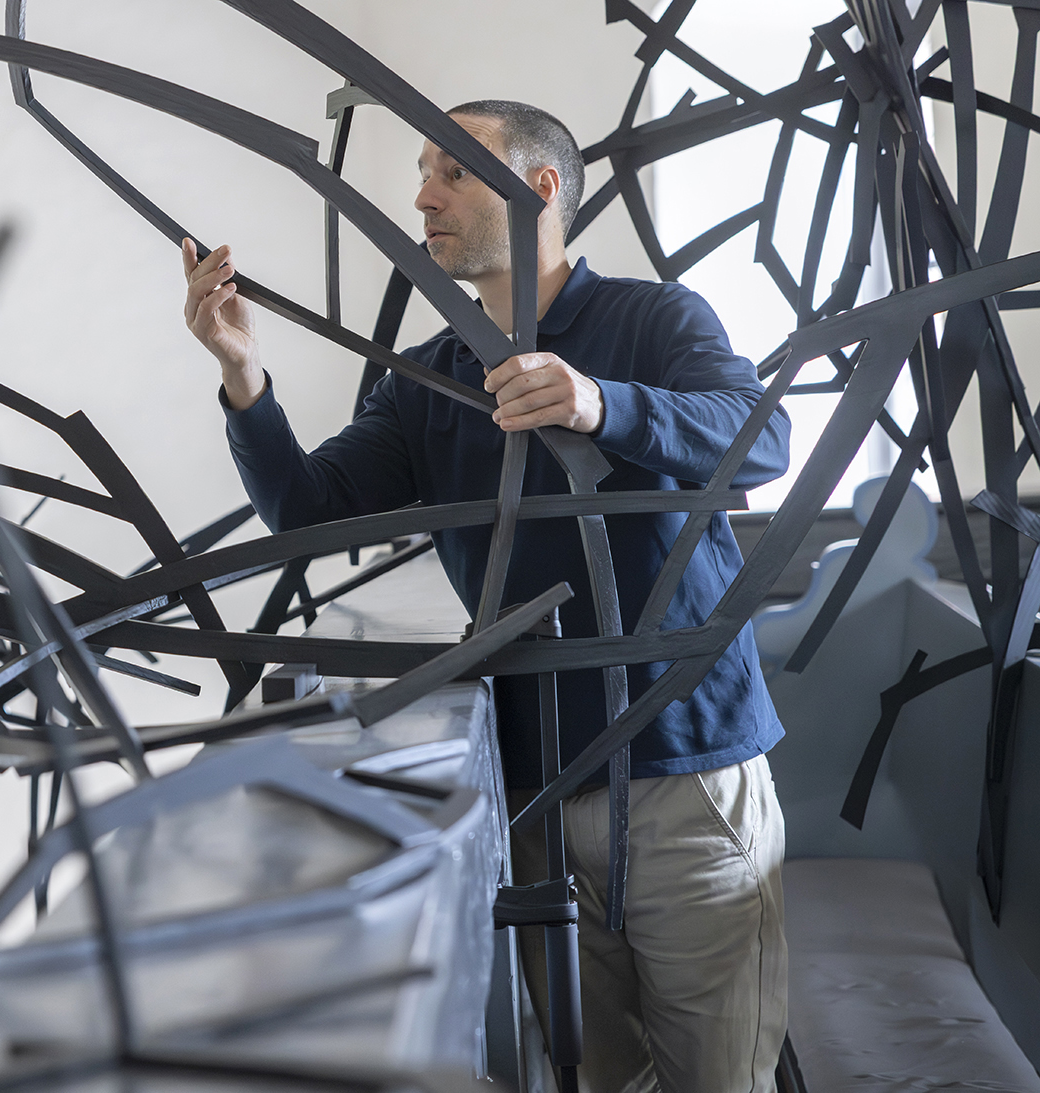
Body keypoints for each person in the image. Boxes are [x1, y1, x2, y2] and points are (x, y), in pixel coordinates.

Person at [181, 99, 792, 1093]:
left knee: (722, 1079)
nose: (424, 196)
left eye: (454, 172)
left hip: (684, 776)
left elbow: (760, 439)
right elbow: (309, 509)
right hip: (531, 793)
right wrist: (243, 374)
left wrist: (600, 402)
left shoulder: (654, 319)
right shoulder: (428, 378)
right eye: (423, 172)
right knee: (597, 1078)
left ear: (538, 189)